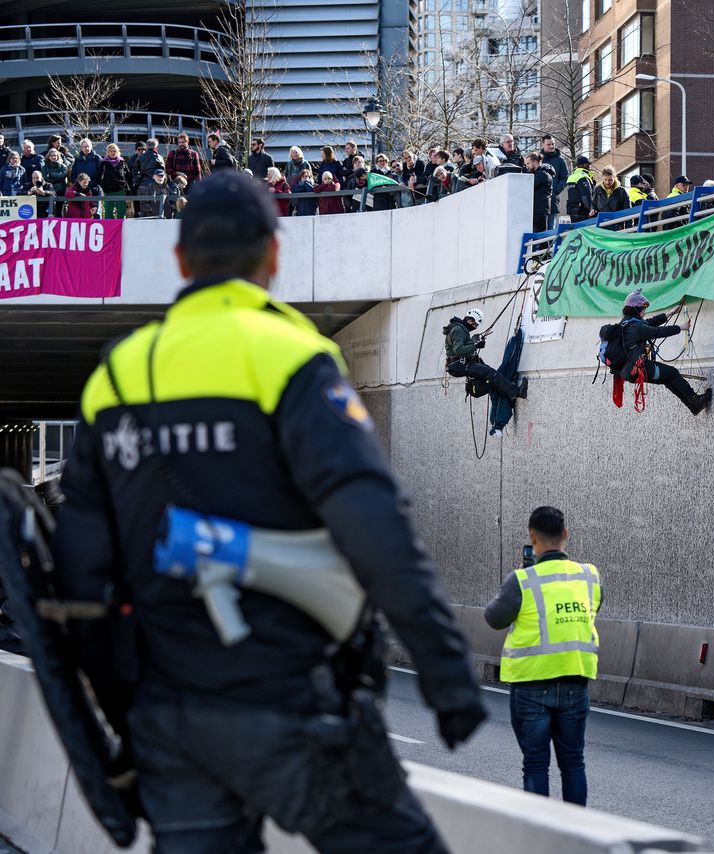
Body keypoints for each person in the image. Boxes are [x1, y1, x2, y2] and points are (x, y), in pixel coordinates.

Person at [50, 171, 487, 852]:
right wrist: (445, 672)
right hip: (292, 703)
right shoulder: (293, 358)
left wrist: (127, 710)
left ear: (180, 261)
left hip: (170, 719)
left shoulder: (116, 376)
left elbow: (80, 578)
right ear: (274, 255)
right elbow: (374, 524)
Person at [484, 506, 600, 806]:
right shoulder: (589, 576)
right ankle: (575, 833)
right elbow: (593, 611)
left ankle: (541, 836)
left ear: (532, 538)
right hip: (575, 682)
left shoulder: (522, 580)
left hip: (531, 685)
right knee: (573, 763)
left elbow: (494, 618)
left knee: (536, 765)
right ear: (565, 535)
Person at [609, 290, 711, 415]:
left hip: (628, 371)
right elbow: (657, 332)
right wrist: (681, 327)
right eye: (643, 309)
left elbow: (650, 322)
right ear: (636, 309)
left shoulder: (627, 322)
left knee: (667, 378)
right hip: (637, 369)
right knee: (672, 373)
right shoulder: (636, 327)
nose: (644, 312)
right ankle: (695, 400)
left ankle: (693, 406)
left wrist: (670, 313)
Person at [443, 308, 528, 401]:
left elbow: (461, 346)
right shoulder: (459, 329)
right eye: (475, 324)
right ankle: (517, 392)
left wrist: (473, 341)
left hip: (459, 365)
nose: (475, 327)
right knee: (490, 373)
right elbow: (458, 350)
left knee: (489, 372)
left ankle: (508, 393)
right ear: (470, 320)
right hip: (459, 365)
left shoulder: (459, 329)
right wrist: (476, 346)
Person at [98, 143, 132, 219]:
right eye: (111, 151)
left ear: (117, 152)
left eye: (114, 151)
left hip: (120, 190)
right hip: (108, 191)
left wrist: (126, 188)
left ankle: (121, 228)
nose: (113, 153)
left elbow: (129, 176)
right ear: (108, 152)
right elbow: (98, 177)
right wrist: (104, 187)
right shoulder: (104, 163)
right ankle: (109, 229)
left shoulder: (122, 163)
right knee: (108, 212)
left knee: (121, 212)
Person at [539, 136, 568, 221]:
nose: (551, 146)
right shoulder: (537, 159)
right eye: (548, 144)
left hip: (553, 200)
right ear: (542, 145)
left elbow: (565, 178)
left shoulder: (560, 160)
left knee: (552, 228)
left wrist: (556, 190)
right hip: (539, 201)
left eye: (553, 144)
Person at [526, 151, 554, 232]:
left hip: (539, 211)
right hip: (538, 210)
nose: (527, 166)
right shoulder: (539, 174)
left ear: (535, 162)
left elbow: (528, 186)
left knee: (541, 239)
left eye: (528, 163)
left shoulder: (542, 175)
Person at [44, 150, 69, 216]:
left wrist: (51, 175)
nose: (53, 157)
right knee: (48, 212)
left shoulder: (63, 166)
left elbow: (63, 176)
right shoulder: (45, 167)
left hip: (61, 191)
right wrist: (58, 178)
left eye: (55, 155)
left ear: (58, 156)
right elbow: (46, 179)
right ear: (48, 156)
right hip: (49, 191)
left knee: (60, 212)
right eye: (51, 155)